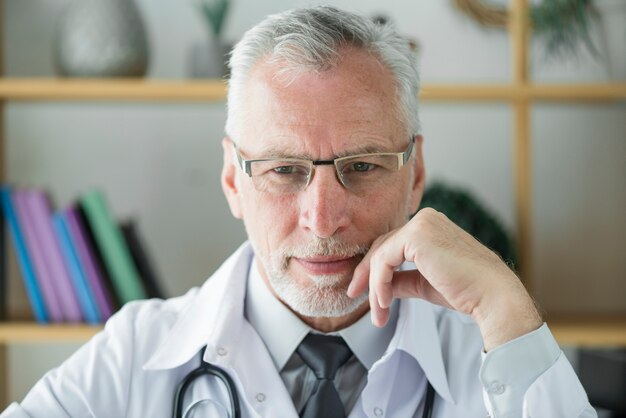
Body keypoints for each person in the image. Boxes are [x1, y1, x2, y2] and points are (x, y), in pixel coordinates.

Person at [2, 6, 595, 418]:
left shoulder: (498, 356)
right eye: (284, 170)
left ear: (415, 175)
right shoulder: (134, 356)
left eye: (362, 166)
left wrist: (509, 307)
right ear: (234, 178)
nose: (323, 217)